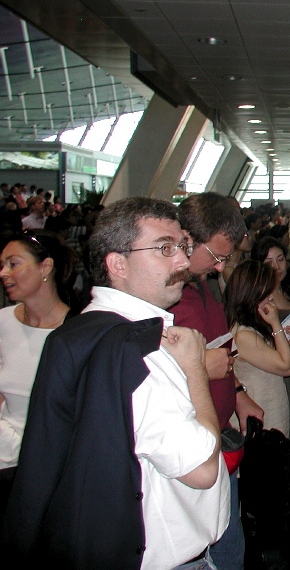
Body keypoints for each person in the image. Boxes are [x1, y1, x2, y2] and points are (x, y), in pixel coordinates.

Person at [3, 196, 228, 568]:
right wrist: (195, 369)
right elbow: (202, 469)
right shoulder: (140, 351)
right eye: (164, 248)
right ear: (117, 264)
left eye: (182, 246)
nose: (184, 261)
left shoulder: (78, 331)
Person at [170, 191, 261, 570]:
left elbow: (221, 352)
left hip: (220, 439)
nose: (222, 268)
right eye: (217, 256)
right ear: (187, 239)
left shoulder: (203, 287)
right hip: (188, 452)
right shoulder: (163, 299)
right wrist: (191, 366)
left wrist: (237, 393)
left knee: (229, 542)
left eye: (227, 258)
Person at [0, 231, 72, 523]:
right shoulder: (3, 321)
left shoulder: (75, 331)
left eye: (13, 263)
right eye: (2, 264)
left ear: (45, 267)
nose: (4, 273)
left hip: (47, 465)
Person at [223, 260, 290, 435]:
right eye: (267, 293)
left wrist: (284, 343)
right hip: (263, 418)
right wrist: (276, 324)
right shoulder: (244, 335)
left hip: (267, 411)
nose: (271, 298)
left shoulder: (248, 327)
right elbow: (287, 367)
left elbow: (267, 358)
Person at [250, 236, 290, 447]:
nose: (276, 267)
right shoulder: (260, 298)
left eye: (280, 259)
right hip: (277, 370)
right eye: (268, 262)